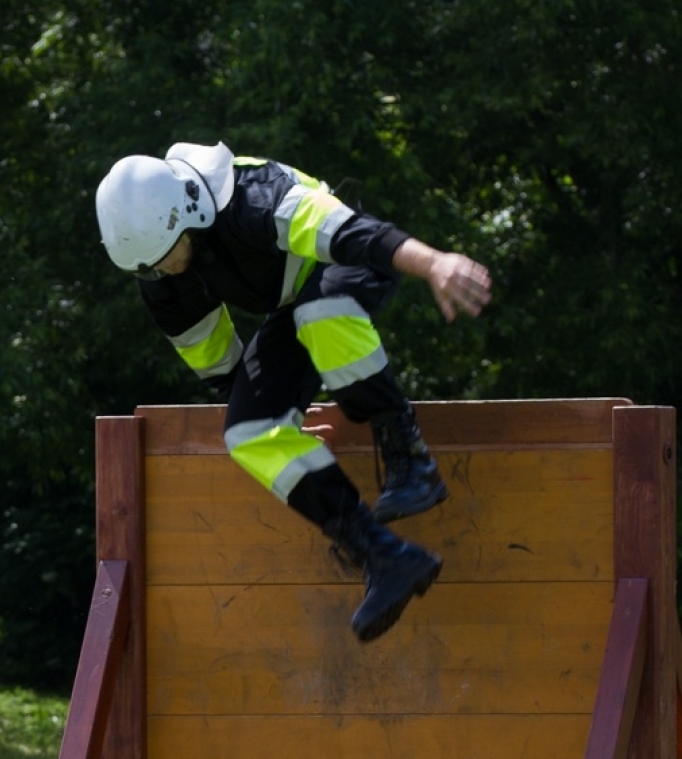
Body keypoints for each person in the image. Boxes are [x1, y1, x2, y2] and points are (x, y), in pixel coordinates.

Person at [94, 141, 491, 641]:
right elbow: (225, 370)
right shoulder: (157, 274)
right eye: (147, 268)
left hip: (345, 258)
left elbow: (355, 234)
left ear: (188, 214)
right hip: (293, 306)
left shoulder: (256, 198)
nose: (162, 272)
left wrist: (434, 263)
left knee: (320, 312)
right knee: (248, 433)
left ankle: (409, 454)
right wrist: (288, 425)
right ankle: (384, 556)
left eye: (166, 257)